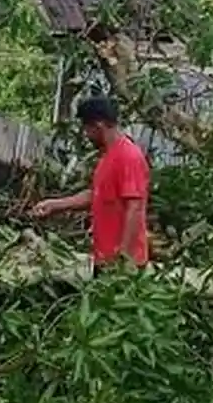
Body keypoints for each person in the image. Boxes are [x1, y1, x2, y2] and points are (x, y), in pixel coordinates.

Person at [32, 96, 150, 272]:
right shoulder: (107, 156)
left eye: (87, 129)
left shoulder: (129, 156)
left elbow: (135, 207)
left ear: (98, 126)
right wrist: (56, 204)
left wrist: (123, 258)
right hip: (105, 259)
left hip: (124, 264)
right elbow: (96, 194)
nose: (86, 135)